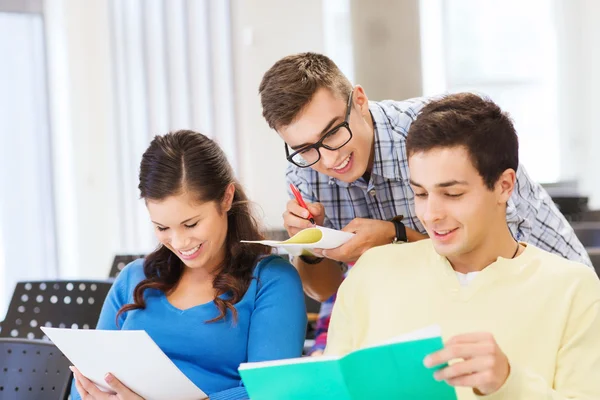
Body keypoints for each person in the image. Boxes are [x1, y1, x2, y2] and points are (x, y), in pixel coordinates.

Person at [258, 52, 592, 305]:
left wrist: (395, 238)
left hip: (548, 295)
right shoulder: (305, 171)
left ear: (359, 101)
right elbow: (324, 290)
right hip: (447, 308)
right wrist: (310, 245)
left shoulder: (440, 134)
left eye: (334, 132)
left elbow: (501, 264)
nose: (329, 158)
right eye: (305, 148)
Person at [324, 94, 600, 399]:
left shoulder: (574, 289)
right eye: (421, 194)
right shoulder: (371, 273)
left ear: (504, 186)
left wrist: (510, 383)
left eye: (452, 194)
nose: (431, 215)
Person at [70, 130, 307, 400]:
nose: (180, 242)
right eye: (162, 227)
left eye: (191, 224)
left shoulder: (272, 280)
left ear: (226, 198)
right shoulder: (133, 278)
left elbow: (273, 393)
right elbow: (85, 385)